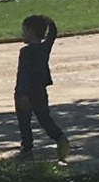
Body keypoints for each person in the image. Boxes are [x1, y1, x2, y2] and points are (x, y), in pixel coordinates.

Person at [15, 15, 69, 160]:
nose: (22, 34)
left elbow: (23, 75)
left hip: (25, 92)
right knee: (44, 118)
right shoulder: (44, 48)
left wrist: (22, 93)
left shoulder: (25, 52)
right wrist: (49, 21)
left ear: (30, 32)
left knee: (24, 121)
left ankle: (27, 147)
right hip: (40, 90)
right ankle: (59, 137)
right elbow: (52, 34)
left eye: (24, 31)